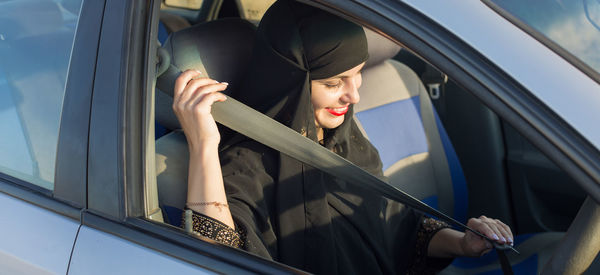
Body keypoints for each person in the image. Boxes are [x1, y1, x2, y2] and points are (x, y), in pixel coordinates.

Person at [171, 0, 513, 273]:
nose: (354, 96)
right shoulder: (246, 166)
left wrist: (463, 244)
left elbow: (398, 231)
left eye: (357, 75)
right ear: (291, 82)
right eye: (333, 84)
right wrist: (203, 144)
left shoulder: (346, 141)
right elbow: (215, 258)